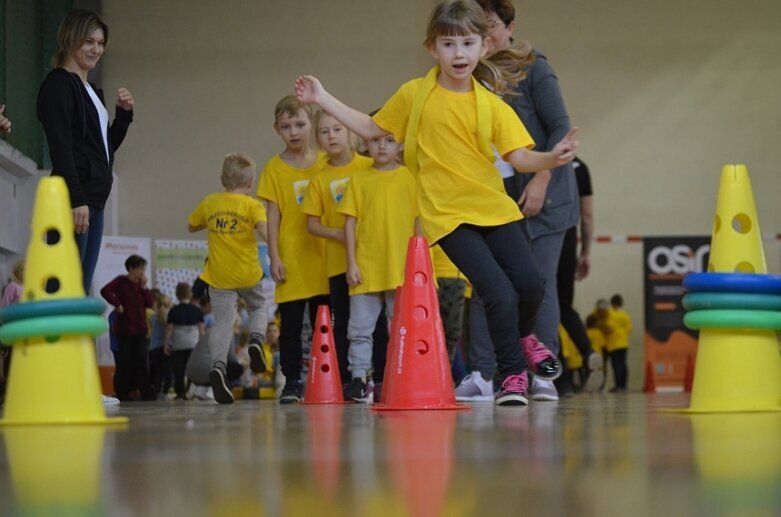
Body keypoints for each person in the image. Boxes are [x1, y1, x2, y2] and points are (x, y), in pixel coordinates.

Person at [294, 0, 577, 405]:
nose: (459, 53)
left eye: (467, 43)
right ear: (432, 48)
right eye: (449, 44)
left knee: (531, 286)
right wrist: (322, 98)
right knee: (497, 292)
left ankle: (524, 335)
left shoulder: (491, 104)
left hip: (493, 208)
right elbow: (372, 127)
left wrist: (552, 158)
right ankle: (512, 376)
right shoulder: (415, 95)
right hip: (447, 217)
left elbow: (519, 158)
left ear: (482, 47)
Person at [458, 0, 578, 403]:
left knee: (536, 285)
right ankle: (483, 373)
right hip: (496, 197)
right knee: (488, 284)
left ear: (509, 27)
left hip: (545, 195)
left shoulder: (532, 64)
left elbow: (560, 125)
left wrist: (543, 179)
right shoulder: (468, 74)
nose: (485, 35)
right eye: (478, 28)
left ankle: (542, 375)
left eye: (490, 26)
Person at [37, 9, 134, 294]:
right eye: (89, 41)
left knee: (81, 284)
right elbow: (61, 147)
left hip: (96, 199)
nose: (96, 49)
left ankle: (73, 337)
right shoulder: (58, 84)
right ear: (70, 39)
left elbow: (102, 151)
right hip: (76, 199)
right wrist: (76, 198)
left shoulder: (89, 89)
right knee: (67, 283)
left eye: (101, 43)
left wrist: (124, 116)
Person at [257, 96, 330, 404]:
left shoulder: (327, 161)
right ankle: (292, 381)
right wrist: (274, 256)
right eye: (286, 127)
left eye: (300, 124)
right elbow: (272, 217)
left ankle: (326, 378)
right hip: (291, 258)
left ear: (311, 123)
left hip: (324, 255)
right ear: (277, 130)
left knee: (323, 323)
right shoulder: (273, 169)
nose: (294, 132)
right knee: (290, 325)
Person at [300, 110, 379, 383]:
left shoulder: (368, 167)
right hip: (338, 264)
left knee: (378, 323)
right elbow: (311, 223)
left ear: (351, 133)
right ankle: (349, 381)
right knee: (345, 323)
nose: (331, 136)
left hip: (372, 262)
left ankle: (380, 379)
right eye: (324, 131)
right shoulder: (319, 179)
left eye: (337, 129)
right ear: (318, 139)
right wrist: (338, 234)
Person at [338, 132, 417, 402]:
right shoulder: (358, 180)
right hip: (367, 267)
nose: (382, 146)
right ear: (364, 144)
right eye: (375, 140)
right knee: (359, 329)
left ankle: (403, 378)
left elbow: (420, 221)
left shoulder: (411, 178)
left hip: (401, 269)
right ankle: (359, 378)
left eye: (389, 140)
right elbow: (349, 223)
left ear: (402, 144)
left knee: (402, 329)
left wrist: (419, 264)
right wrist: (351, 263)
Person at [188, 153, 269, 404]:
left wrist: (213, 223)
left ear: (222, 179)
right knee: (258, 306)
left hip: (219, 275)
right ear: (251, 182)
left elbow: (191, 226)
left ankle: (217, 367)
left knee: (223, 322)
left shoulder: (211, 202)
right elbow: (265, 231)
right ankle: (256, 339)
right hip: (247, 272)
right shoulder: (252, 205)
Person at [555, 157, 601, 394]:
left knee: (544, 307)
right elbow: (588, 216)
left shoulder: (537, 160)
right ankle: (587, 350)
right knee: (563, 305)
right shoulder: (581, 167)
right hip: (568, 238)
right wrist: (585, 253)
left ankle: (559, 377)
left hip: (544, 236)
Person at [100, 254, 155, 401]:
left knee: (142, 361)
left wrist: (144, 287)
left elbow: (150, 303)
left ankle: (144, 392)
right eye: (140, 268)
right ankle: (122, 393)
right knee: (124, 362)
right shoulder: (121, 281)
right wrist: (117, 303)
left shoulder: (141, 286)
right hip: (125, 330)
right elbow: (105, 291)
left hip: (140, 330)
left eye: (143, 268)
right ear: (131, 268)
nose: (142, 271)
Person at [163, 283, 204, 400]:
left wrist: (166, 344)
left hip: (178, 345)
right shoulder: (197, 310)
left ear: (177, 294)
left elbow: (169, 329)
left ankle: (180, 393)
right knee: (191, 370)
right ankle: (190, 391)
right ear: (190, 294)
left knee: (178, 371)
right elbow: (201, 330)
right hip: (194, 344)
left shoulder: (174, 310)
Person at [149, 292, 173, 396]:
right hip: (167, 347)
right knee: (168, 372)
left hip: (154, 347)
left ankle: (157, 391)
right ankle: (166, 392)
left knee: (158, 371)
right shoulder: (171, 318)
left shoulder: (153, 317)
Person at [607, 294, 632, 392]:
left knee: (616, 365)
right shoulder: (626, 315)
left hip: (614, 344)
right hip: (624, 343)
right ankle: (623, 386)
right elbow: (629, 329)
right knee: (623, 364)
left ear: (612, 303)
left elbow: (609, 328)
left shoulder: (610, 313)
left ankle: (618, 386)